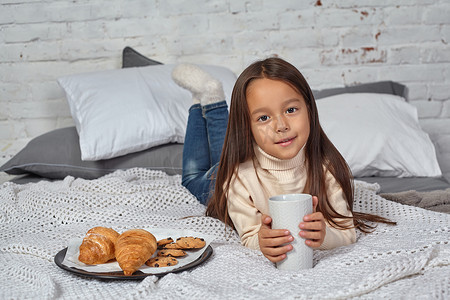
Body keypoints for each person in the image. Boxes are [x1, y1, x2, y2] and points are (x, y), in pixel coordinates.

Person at [172, 58, 394, 263]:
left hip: (251, 158)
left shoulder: (328, 168)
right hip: (225, 177)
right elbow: (249, 236)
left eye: (290, 109)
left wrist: (325, 236)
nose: (281, 126)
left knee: (223, 155)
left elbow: (346, 232)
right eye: (264, 117)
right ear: (247, 127)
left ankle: (211, 100)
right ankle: (207, 97)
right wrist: (261, 241)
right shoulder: (238, 177)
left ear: (309, 109)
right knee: (193, 177)